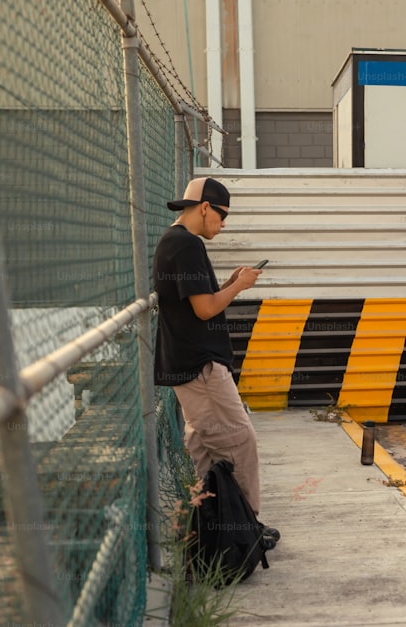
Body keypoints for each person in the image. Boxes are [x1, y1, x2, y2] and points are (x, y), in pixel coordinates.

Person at [153, 177, 278, 545]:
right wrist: (239, 287)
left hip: (185, 364)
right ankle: (245, 531)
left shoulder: (173, 242)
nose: (223, 225)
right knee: (239, 442)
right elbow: (206, 309)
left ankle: (210, 529)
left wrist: (228, 282)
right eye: (222, 216)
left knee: (206, 451)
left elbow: (198, 302)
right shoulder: (187, 245)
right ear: (205, 207)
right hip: (201, 367)